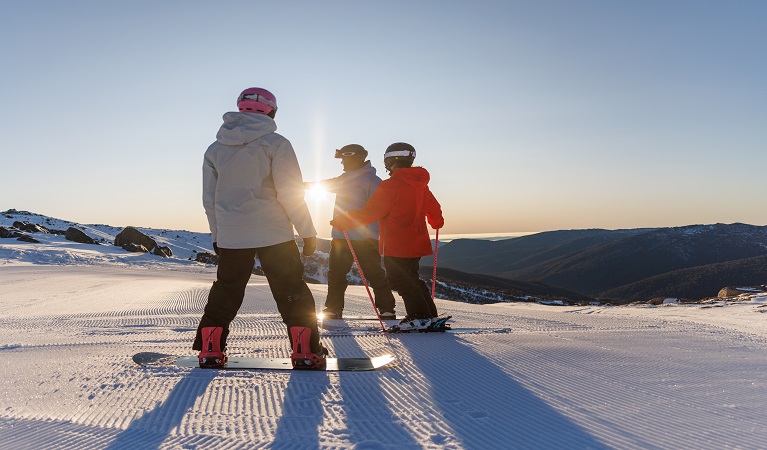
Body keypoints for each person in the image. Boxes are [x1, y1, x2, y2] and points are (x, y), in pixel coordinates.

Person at [194, 87, 326, 369]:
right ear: (272, 111)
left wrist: (218, 235)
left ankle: (210, 349)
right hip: (273, 232)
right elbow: (290, 193)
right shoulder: (276, 143)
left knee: (226, 290)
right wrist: (307, 231)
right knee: (290, 289)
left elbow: (210, 200)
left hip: (232, 234)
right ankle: (304, 350)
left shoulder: (215, 149)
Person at [330, 142, 445, 331]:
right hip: (417, 242)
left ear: (390, 160)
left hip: (397, 243)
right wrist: (437, 222)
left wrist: (345, 220)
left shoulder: (391, 186)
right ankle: (429, 315)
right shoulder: (420, 185)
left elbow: (371, 213)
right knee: (412, 278)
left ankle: (419, 316)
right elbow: (434, 209)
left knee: (400, 280)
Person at [305, 144, 397, 320]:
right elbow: (326, 184)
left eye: (345, 160)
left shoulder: (372, 181)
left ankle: (387, 309)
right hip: (341, 237)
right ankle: (333, 309)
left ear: (357, 158)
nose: (342, 163)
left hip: (365, 239)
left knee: (374, 273)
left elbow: (379, 211)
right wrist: (302, 185)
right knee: (336, 273)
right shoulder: (344, 179)